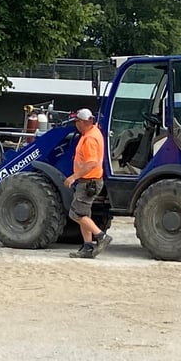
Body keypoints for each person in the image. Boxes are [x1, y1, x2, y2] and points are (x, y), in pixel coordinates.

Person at [63, 108, 112, 259]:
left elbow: (91, 163)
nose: (75, 124)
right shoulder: (94, 132)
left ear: (84, 122)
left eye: (77, 121)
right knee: (85, 214)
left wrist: (73, 177)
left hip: (88, 182)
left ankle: (101, 236)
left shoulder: (89, 139)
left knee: (76, 213)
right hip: (92, 181)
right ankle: (88, 247)